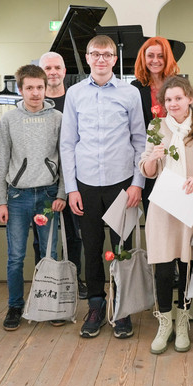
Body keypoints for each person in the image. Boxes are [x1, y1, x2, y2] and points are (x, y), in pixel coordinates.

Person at [60, 34, 146, 339]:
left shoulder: (129, 93)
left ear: (114, 59)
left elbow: (140, 141)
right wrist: (71, 189)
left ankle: (121, 308)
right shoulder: (75, 94)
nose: (100, 59)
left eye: (106, 54)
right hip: (85, 185)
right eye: (95, 54)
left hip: (121, 183)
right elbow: (67, 143)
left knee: (121, 248)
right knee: (92, 248)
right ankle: (96, 306)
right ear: (87, 58)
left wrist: (138, 183)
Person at [139, 76, 193, 354]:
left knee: (186, 264)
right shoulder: (155, 127)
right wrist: (153, 157)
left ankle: (183, 320)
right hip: (162, 204)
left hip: (190, 201)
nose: (173, 103)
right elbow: (146, 170)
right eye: (168, 99)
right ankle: (165, 323)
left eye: (178, 98)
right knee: (162, 264)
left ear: (189, 99)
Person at [0, 64, 68, 331]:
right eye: (29, 88)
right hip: (17, 197)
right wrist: (1, 200)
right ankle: (15, 306)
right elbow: (0, 162)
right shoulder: (9, 120)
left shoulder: (58, 118)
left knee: (49, 255)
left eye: (39, 87)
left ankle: (47, 304)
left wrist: (61, 193)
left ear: (46, 88)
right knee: (15, 256)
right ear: (20, 89)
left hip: (48, 195)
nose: (35, 93)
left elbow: (65, 158)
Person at [38, 51, 87, 300]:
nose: (53, 72)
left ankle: (74, 277)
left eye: (57, 67)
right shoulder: (35, 101)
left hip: (72, 178)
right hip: (42, 182)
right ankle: (45, 282)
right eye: (48, 68)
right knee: (42, 235)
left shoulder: (75, 99)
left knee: (74, 232)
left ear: (65, 71)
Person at [130, 37, 181, 212]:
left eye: (161, 56)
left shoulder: (179, 85)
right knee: (153, 214)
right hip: (150, 159)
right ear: (143, 58)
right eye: (150, 55)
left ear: (167, 58)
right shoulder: (135, 88)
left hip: (176, 159)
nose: (155, 60)